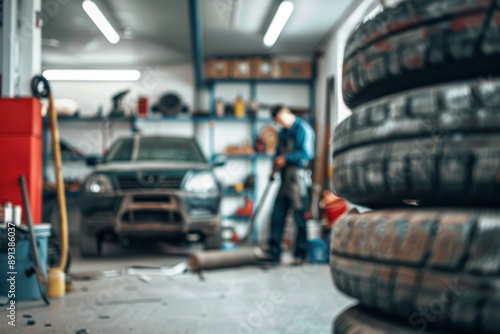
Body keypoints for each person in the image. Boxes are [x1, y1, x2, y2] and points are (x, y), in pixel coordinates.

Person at [261, 105, 315, 265]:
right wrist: (274, 169)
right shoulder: (283, 132)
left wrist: (286, 158)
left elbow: (307, 153)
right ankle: (274, 252)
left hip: (297, 178)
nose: (280, 123)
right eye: (276, 122)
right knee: (277, 214)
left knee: (299, 216)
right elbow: (278, 154)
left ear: (286, 113)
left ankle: (301, 253)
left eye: (280, 119)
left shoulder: (303, 129)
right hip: (284, 177)